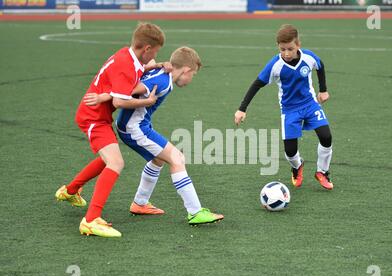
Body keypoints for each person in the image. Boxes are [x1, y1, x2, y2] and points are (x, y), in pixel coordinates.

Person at [85, 47, 224, 226]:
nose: (191, 79)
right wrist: (103, 97)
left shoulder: (163, 73)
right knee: (176, 158)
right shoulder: (162, 80)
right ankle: (195, 212)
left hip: (136, 126)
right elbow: (128, 91)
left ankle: (140, 203)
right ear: (186, 70)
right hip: (134, 129)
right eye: (193, 74)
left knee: (158, 159)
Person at [55, 22, 171, 237]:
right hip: (93, 118)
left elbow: (134, 73)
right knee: (116, 162)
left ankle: (70, 191)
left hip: (98, 116)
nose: (155, 55)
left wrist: (156, 65)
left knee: (107, 158)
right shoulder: (127, 64)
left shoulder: (126, 56)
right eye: (155, 52)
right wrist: (148, 101)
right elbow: (118, 102)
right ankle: (91, 220)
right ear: (146, 49)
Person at [234, 24, 334, 190]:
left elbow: (320, 65)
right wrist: (242, 108)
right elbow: (257, 84)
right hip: (289, 111)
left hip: (310, 105)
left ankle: (322, 171)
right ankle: (297, 166)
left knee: (326, 137)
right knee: (290, 151)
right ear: (278, 47)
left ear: (298, 45)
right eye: (282, 49)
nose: (286, 53)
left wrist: (323, 90)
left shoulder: (308, 57)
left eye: (290, 49)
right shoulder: (275, 65)